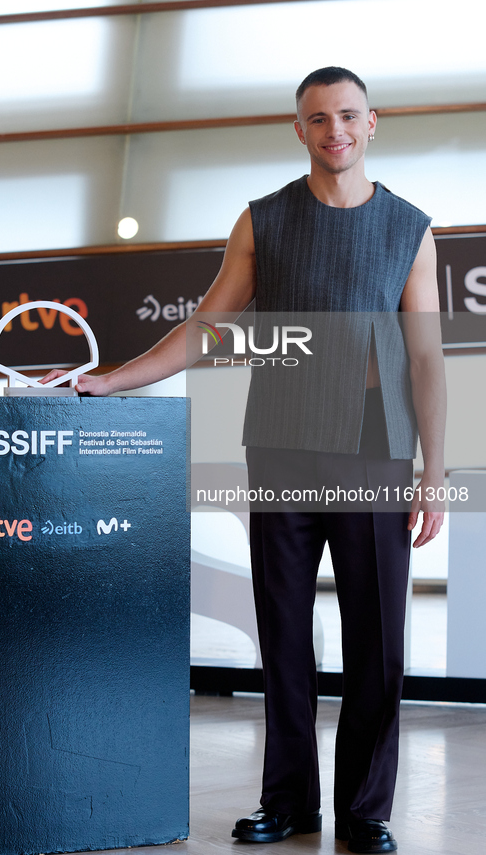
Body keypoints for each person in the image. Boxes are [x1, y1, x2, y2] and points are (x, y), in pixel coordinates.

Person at [42, 66, 446, 854]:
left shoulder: (411, 228)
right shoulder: (263, 221)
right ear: (297, 129)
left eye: (347, 116)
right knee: (282, 638)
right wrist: (109, 381)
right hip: (281, 449)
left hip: (375, 454)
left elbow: (425, 359)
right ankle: (288, 799)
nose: (334, 129)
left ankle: (366, 807)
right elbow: (205, 329)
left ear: (372, 125)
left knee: (378, 642)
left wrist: (434, 470)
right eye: (317, 118)